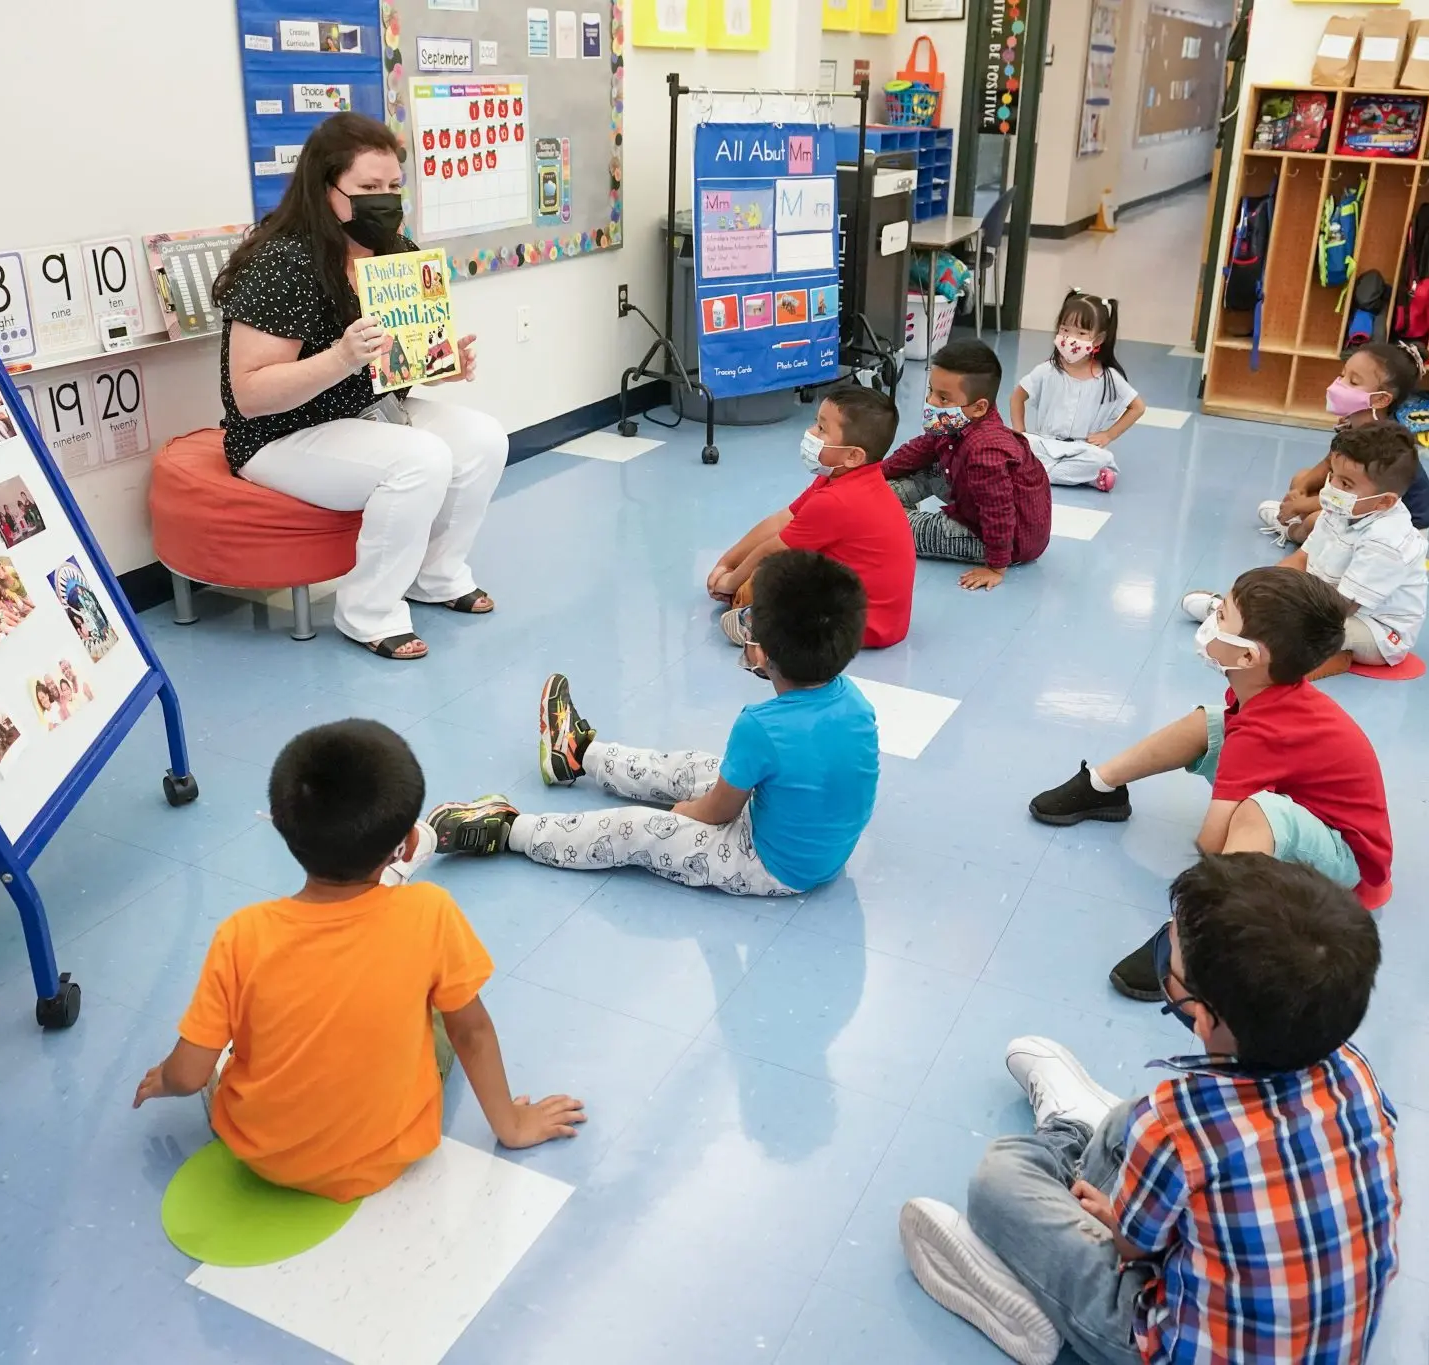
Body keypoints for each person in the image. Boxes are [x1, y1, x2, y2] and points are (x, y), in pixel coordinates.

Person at [898, 855, 1398, 1365]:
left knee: (999, 1179)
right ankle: (1086, 1142)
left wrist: (1117, 1218)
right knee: (1128, 1122)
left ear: (1201, 1017)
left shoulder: (1174, 1126)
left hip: (1165, 1343)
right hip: (1319, 1341)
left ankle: (1032, 1259)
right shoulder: (1355, 1071)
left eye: (1169, 956)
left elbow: (1133, 1248)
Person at [132, 720, 584, 1200]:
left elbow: (188, 1074)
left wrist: (164, 1078)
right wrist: (511, 1125)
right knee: (437, 1015)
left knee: (240, 1033)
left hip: (263, 1155)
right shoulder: (430, 913)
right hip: (388, 1152)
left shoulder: (241, 936)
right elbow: (471, 1032)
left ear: (283, 831)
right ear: (407, 844)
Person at [214, 111, 507, 662]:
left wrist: (444, 361)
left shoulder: (394, 248)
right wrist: (341, 358)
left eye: (394, 186)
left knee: (485, 438)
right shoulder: (283, 262)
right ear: (326, 189)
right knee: (419, 459)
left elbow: (399, 359)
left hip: (367, 412)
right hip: (279, 434)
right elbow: (250, 394)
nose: (385, 199)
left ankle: (437, 576)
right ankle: (369, 610)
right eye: (368, 188)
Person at [1028, 566, 1392, 997]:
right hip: (1311, 809)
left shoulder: (1264, 731)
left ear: (1248, 657)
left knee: (1259, 814)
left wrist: (1220, 854)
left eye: (1223, 616)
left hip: (1348, 861)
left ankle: (1200, 940)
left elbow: (1211, 843)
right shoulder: (1267, 693)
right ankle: (1102, 787)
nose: (1212, 616)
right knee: (1211, 722)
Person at [425, 551, 878, 897]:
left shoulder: (761, 725)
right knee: (703, 767)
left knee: (636, 831)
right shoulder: (856, 702)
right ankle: (578, 755)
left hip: (766, 866)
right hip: (818, 851)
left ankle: (510, 831)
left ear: (760, 651)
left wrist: (689, 813)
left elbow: (717, 812)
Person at [1185, 422, 1427, 679]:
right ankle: (1237, 618)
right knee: (1273, 605)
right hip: (1328, 600)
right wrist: (1253, 593)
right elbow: (1302, 558)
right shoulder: (1344, 508)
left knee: (1294, 628)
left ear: (1384, 501)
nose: (1332, 486)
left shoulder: (1386, 542)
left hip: (1376, 631)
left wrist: (1271, 613)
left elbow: (1340, 609)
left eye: (1345, 484)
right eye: (1332, 475)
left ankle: (1243, 629)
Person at [706, 385, 914, 650]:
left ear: (853, 455)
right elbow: (781, 520)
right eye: (816, 424)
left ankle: (762, 626)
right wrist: (726, 562)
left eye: (822, 429)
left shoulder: (837, 501)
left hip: (858, 625)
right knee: (765, 569)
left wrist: (729, 581)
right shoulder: (844, 478)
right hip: (881, 616)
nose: (811, 433)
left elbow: (772, 549)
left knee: (763, 579)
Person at [883, 339, 1052, 591]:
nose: (931, 401)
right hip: (978, 503)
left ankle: (880, 515)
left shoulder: (984, 450)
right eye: (931, 391)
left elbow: (998, 512)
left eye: (943, 398)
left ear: (979, 406)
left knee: (890, 528)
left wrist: (996, 566)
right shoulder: (961, 420)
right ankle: (875, 499)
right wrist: (874, 473)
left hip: (1003, 540)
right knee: (931, 467)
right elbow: (921, 449)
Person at [1261, 340, 1429, 547]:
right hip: (1363, 502)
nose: (1340, 384)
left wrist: (1300, 505)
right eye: (1343, 375)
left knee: (1316, 520)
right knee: (1301, 478)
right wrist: (1302, 487)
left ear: (1380, 400)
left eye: (1353, 382)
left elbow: (1346, 497)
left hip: (1399, 529)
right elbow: (1329, 464)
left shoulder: (1382, 442)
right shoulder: (1354, 423)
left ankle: (1292, 531)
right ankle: (1299, 521)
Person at [1008, 291, 1145, 491]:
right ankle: (1084, 478)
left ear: (1098, 339)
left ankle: (1035, 474)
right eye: (1065, 330)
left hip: (1082, 448)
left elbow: (1137, 407)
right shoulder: (1047, 370)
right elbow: (1017, 397)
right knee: (1015, 448)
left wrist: (1108, 435)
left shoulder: (1108, 377)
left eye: (1081, 333)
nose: (1071, 338)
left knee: (1101, 458)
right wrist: (1020, 433)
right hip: (1044, 443)